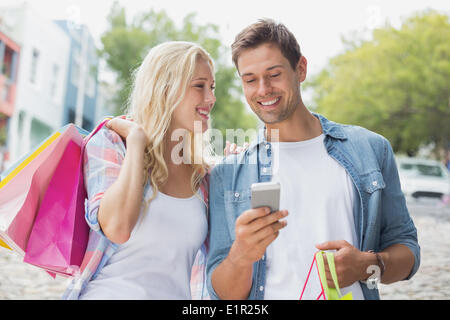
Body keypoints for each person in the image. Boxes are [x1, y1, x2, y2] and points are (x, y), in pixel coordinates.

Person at [206, 19, 420, 300]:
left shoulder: (370, 149)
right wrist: (240, 256)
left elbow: (408, 252)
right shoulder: (228, 174)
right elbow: (222, 295)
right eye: (250, 80)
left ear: (301, 69)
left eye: (274, 74)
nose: (263, 89)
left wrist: (365, 266)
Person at [63, 41, 216, 299]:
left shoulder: (203, 177)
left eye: (211, 88)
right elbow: (118, 226)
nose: (211, 99)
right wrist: (136, 141)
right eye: (199, 86)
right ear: (165, 89)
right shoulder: (114, 144)